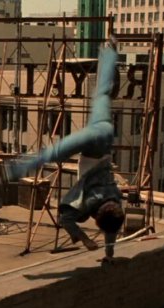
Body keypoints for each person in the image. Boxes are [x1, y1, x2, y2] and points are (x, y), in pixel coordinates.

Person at [7, 36, 124, 259]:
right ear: (98, 218)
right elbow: (65, 218)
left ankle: (109, 50)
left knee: (102, 94)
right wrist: (85, 239)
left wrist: (109, 254)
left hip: (105, 132)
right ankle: (14, 169)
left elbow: (112, 230)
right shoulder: (91, 203)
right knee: (53, 153)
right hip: (93, 143)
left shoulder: (116, 203)